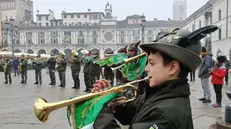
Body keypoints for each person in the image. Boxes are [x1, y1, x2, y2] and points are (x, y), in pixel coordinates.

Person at [91, 25, 218, 129]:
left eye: (151, 63)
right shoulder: (158, 94)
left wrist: (98, 113)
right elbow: (128, 114)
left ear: (173, 68)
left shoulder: (166, 115)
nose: (146, 69)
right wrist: (107, 98)